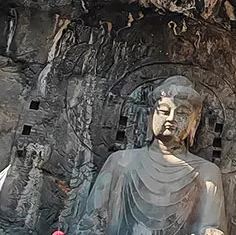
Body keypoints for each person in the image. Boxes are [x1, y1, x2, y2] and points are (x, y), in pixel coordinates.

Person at [76, 76, 226, 235]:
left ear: (194, 123)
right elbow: (91, 222)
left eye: (181, 113)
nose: (171, 119)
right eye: (164, 111)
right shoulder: (121, 162)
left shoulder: (206, 172)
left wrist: (210, 231)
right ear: (150, 116)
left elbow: (211, 227)